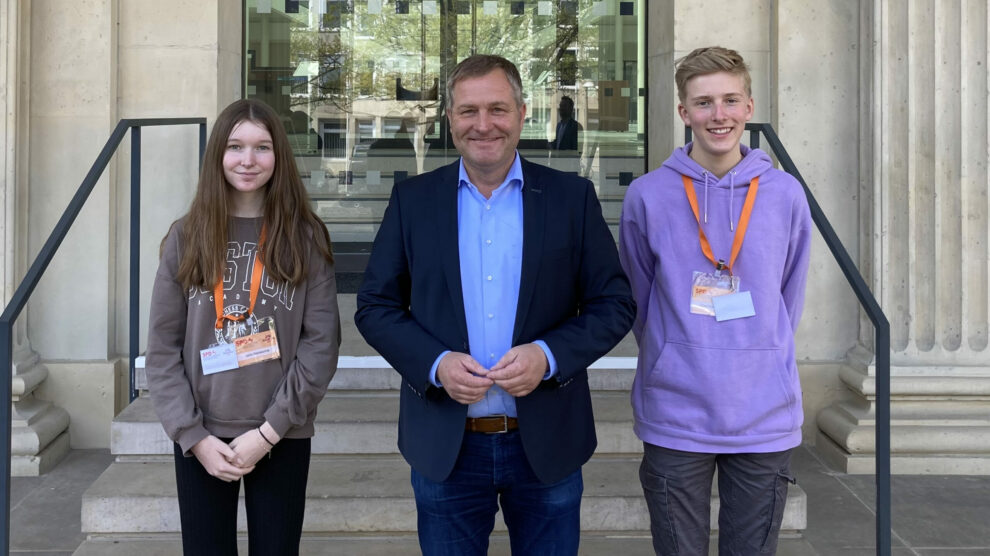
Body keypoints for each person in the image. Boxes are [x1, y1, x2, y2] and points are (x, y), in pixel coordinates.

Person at [356, 54, 635, 556]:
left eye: (498, 109)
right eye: (468, 111)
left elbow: (613, 303)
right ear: (450, 118)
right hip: (446, 445)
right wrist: (436, 364)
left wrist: (547, 356)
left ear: (523, 113)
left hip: (547, 441)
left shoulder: (572, 199)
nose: (483, 125)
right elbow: (375, 305)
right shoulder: (413, 201)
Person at [618, 46, 812, 555]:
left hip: (762, 414)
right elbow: (639, 298)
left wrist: (760, 355)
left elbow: (788, 298)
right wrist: (674, 353)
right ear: (684, 112)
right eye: (703, 103)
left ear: (749, 106)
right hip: (676, 412)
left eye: (730, 100)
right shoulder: (648, 195)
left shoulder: (786, 194)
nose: (718, 115)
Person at [145, 98, 340, 556]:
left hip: (281, 432)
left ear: (279, 157)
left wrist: (269, 432)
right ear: (218, 154)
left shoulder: (305, 237)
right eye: (235, 146)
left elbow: (321, 346)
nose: (248, 160)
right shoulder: (186, 236)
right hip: (202, 436)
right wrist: (193, 438)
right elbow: (161, 350)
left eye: (262, 147)